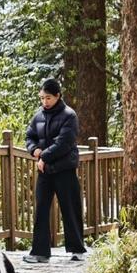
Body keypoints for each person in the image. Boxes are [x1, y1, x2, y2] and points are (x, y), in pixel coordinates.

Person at [23, 78, 87, 263]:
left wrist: (44, 157)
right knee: (41, 209)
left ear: (58, 96)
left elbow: (64, 143)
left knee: (70, 208)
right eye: (42, 98)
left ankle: (77, 249)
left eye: (48, 98)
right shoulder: (38, 116)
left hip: (64, 168)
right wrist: (33, 149)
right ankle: (40, 252)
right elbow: (29, 136)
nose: (45, 102)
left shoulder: (69, 115)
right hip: (45, 171)